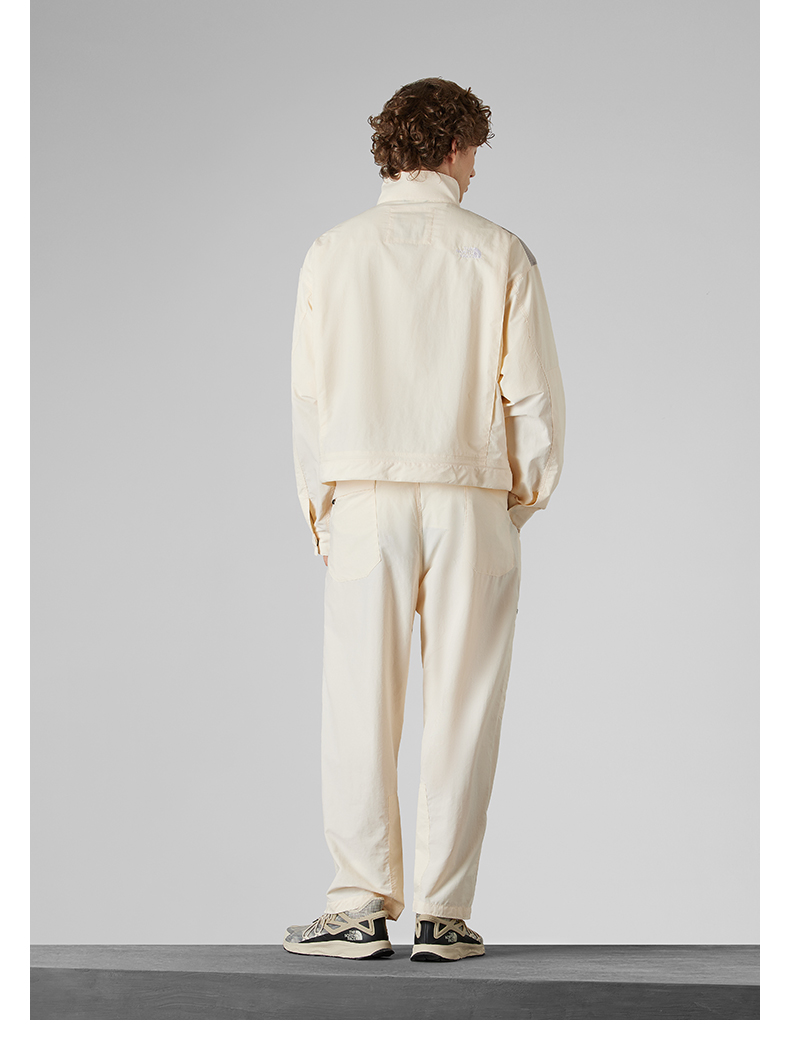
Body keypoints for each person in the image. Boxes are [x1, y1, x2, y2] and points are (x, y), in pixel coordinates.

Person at [285, 77, 566, 962]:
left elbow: (309, 399)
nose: (477, 170)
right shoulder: (499, 251)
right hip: (471, 495)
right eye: (474, 151)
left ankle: (359, 905)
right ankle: (443, 914)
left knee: (357, 704)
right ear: (451, 146)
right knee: (464, 705)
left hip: (364, 496)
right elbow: (533, 400)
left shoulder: (332, 252)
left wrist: (324, 509)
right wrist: (518, 501)